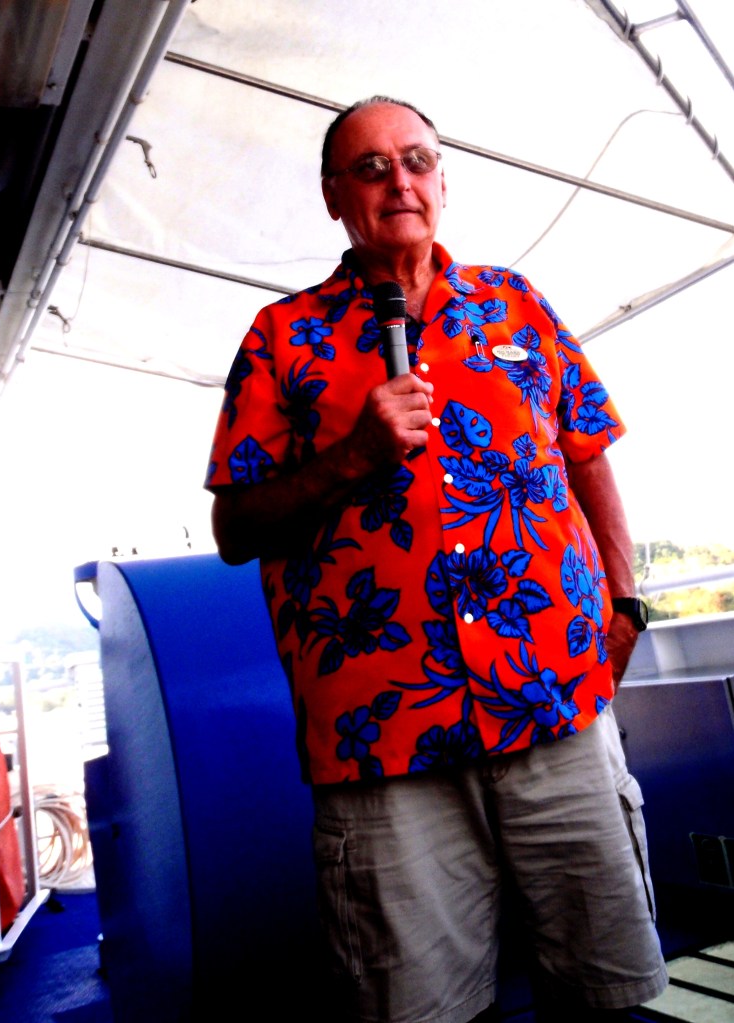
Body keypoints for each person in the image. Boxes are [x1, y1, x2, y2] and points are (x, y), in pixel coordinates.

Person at [205, 96, 667, 1023]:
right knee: (418, 1012)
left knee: (608, 991)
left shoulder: (515, 303)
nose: (399, 182)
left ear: (444, 181)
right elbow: (235, 525)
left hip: (556, 701)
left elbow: (588, 453)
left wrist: (624, 605)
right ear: (334, 196)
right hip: (384, 743)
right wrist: (354, 456)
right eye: (371, 168)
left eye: (416, 160)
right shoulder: (279, 337)